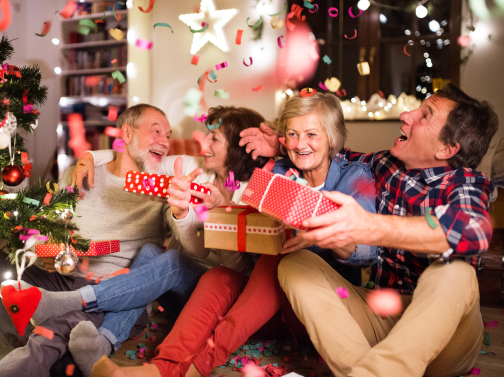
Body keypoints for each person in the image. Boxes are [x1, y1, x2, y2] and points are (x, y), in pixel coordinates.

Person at [91, 93, 378, 377]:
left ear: (332, 137)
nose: (300, 144)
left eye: (311, 134)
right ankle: (161, 369)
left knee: (284, 258)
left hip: (320, 311)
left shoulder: (354, 177)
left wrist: (319, 231)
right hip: (270, 310)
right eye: (292, 134)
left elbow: (366, 254)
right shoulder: (278, 171)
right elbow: (250, 230)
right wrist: (221, 209)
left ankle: (194, 368)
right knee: (218, 277)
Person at [243, 84, 499, 376]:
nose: (406, 115)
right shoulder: (384, 164)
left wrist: (369, 226)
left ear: (447, 148)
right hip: (379, 318)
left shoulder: (466, 183)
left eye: (424, 116)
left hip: (446, 336)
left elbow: (472, 231)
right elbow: (332, 152)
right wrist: (283, 144)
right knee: (295, 263)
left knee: (456, 272)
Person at [23, 105, 270, 376]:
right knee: (151, 251)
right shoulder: (192, 167)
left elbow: (241, 271)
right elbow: (131, 154)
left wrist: (224, 217)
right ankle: (102, 342)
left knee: (173, 260)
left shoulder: (254, 191)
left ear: (236, 148)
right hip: (174, 290)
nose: (204, 142)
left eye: (214, 139)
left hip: (215, 289)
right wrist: (89, 156)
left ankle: (74, 302)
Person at [0, 104, 204, 377]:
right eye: (156, 131)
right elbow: (49, 226)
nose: (164, 141)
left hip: (112, 289)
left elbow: (195, 248)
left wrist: (183, 211)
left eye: (168, 135)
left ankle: (50, 332)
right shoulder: (81, 172)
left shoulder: (163, 187)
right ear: (127, 133)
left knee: (51, 336)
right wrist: (41, 250)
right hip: (60, 276)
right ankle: (40, 328)